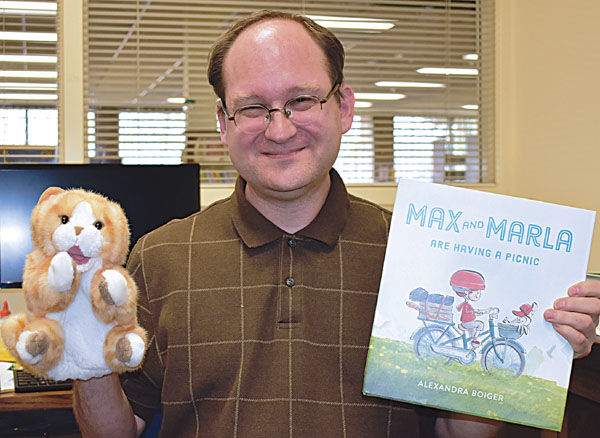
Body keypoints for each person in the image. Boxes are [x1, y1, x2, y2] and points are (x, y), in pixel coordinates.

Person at [73, 10, 600, 438]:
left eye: (301, 100)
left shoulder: (420, 253)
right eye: (253, 108)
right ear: (223, 122)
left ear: (343, 107)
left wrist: (538, 352)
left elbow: (458, 433)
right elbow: (116, 430)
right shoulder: (160, 257)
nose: (279, 130)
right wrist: (77, 339)